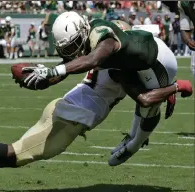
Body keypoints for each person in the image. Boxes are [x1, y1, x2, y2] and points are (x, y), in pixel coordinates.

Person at [0, 20, 193, 192]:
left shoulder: (108, 52)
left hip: (69, 108)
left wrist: (45, 76)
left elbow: (86, 62)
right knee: (15, 153)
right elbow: (144, 98)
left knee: (16, 156)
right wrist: (174, 87)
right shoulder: (117, 65)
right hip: (72, 117)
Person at [20, 11, 193, 166]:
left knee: (146, 103)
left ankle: (135, 143)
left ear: (82, 31)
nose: (72, 51)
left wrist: (170, 88)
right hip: (129, 64)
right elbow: (71, 65)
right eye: (68, 48)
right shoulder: (88, 35)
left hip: (157, 64)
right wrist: (43, 80)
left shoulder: (101, 35)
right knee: (122, 82)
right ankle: (134, 134)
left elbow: (92, 61)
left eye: (74, 45)